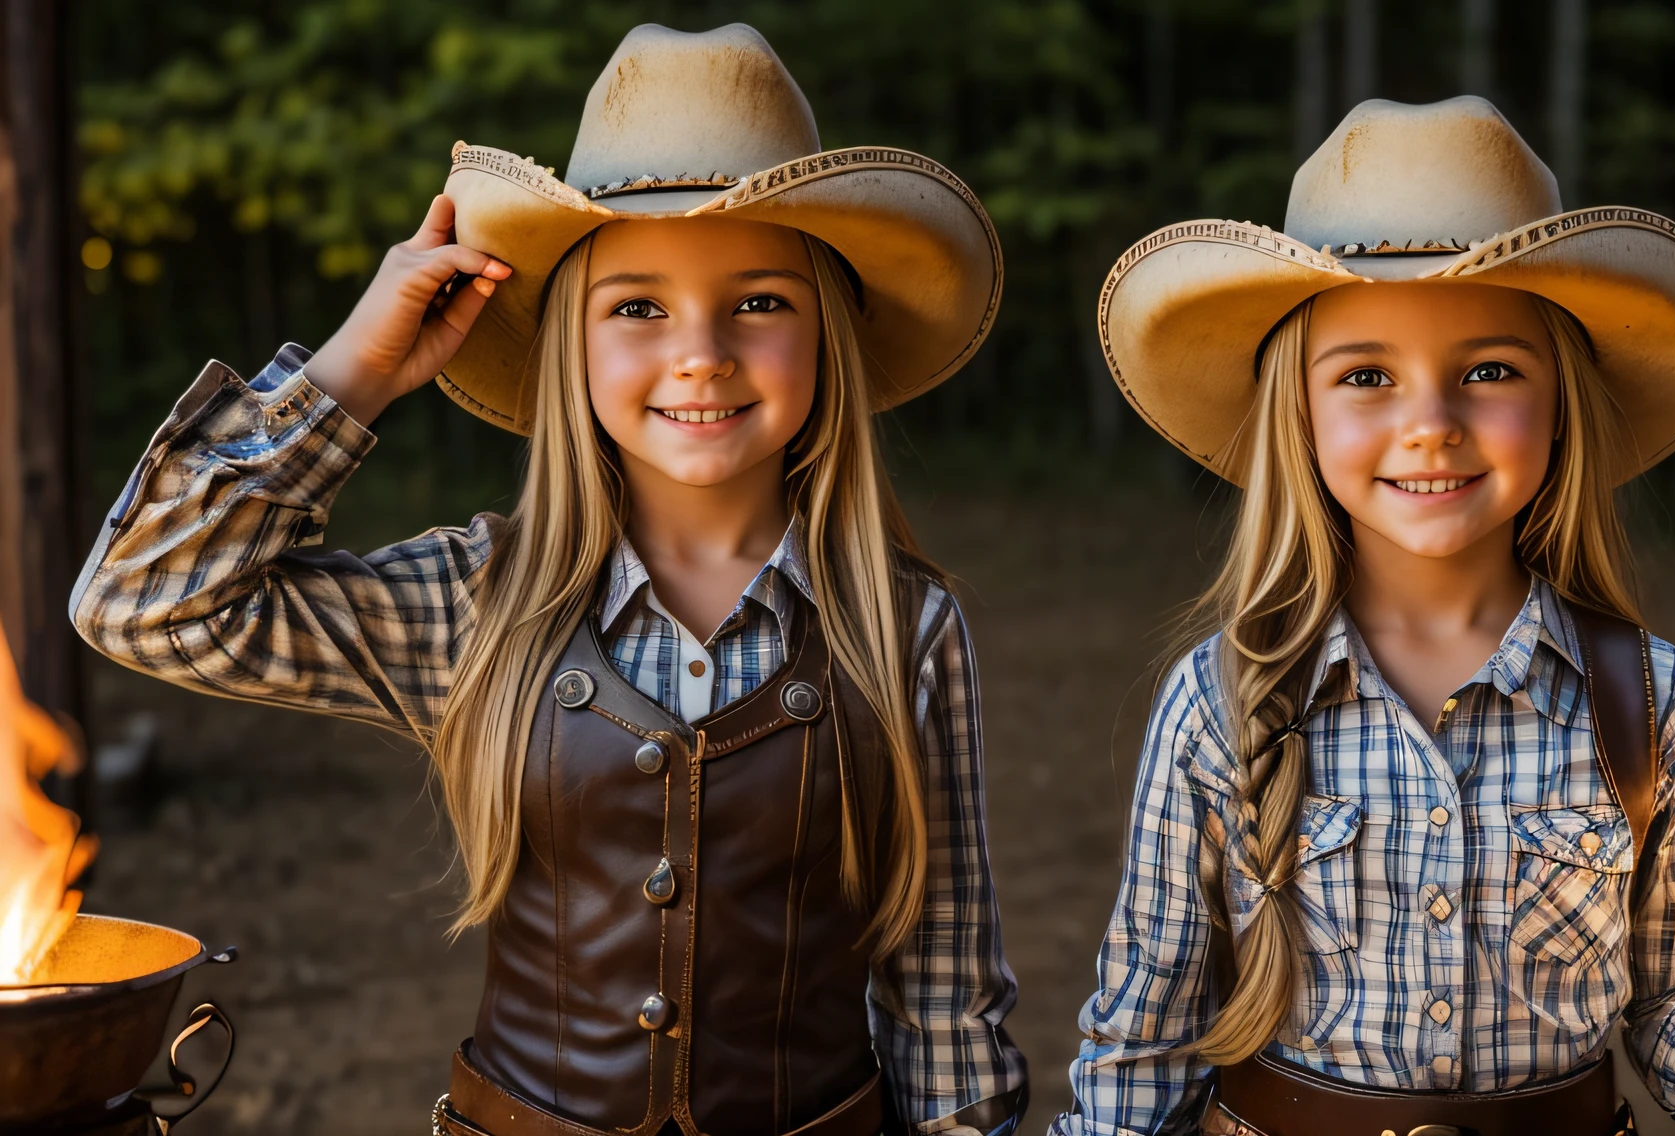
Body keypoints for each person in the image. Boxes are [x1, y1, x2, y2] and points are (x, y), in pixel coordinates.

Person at [72, 24, 1027, 1136]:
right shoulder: (479, 600)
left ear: (831, 337)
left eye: (760, 301)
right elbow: (140, 600)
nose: (701, 351)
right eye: (637, 306)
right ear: (567, 343)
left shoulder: (905, 622)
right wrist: (352, 372)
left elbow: (945, 989)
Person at [1053, 98, 1675, 1136]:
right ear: (1295, 413)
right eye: (1364, 376)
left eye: (1488, 371)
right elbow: (1142, 1040)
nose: (1430, 424)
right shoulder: (1219, 699)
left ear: (1560, 399)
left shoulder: (1659, 707)